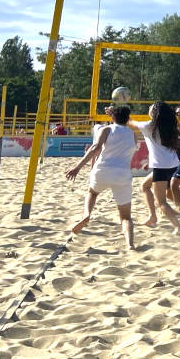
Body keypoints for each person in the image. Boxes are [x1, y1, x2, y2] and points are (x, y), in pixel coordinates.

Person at [65, 105, 138, 250]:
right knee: (126, 217)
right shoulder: (132, 133)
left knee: (92, 193)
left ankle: (86, 215)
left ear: (112, 117)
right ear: (128, 118)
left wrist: (77, 167)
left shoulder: (107, 129)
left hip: (103, 170)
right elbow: (124, 133)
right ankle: (130, 244)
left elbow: (95, 148)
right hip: (122, 174)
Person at [129, 102, 180, 232]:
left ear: (155, 112)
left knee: (161, 202)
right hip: (173, 164)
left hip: (162, 167)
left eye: (151, 107)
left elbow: (129, 122)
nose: (149, 108)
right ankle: (152, 216)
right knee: (144, 186)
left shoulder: (149, 126)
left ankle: (178, 227)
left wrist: (113, 113)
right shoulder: (169, 125)